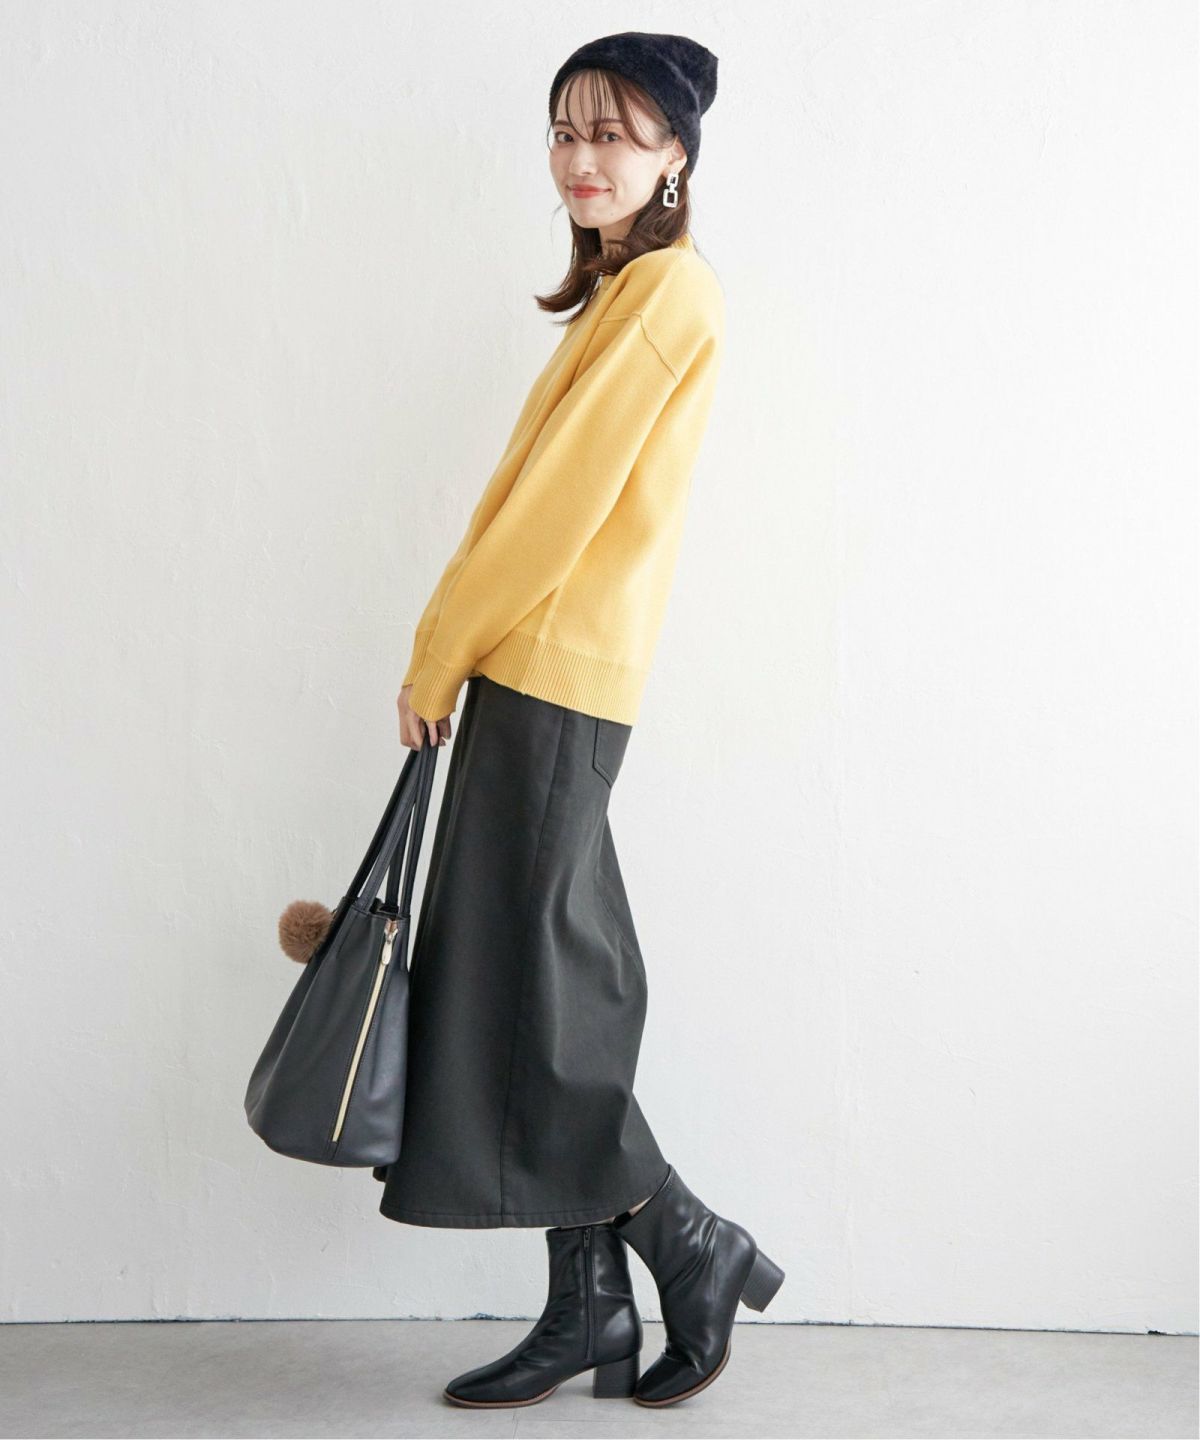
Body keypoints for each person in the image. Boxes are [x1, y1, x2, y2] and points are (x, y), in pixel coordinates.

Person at [375, 31, 784, 1410]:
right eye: (565, 131)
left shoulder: (668, 294)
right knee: (534, 990)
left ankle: (689, 1240)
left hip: (551, 675)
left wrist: (440, 651)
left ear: (675, 157)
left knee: (530, 996)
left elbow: (554, 516)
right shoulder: (624, 294)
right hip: (543, 674)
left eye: (614, 133)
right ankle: (590, 1310)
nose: (581, 159)